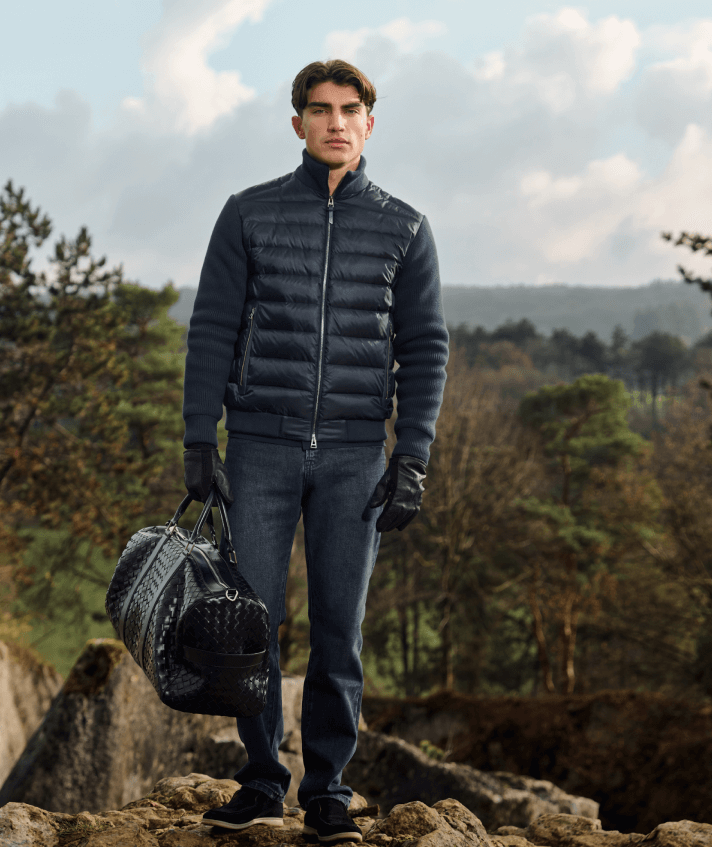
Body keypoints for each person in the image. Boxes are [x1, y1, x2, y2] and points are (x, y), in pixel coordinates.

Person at [181, 58, 448, 844]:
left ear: (369, 122)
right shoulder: (248, 214)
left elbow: (424, 348)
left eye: (349, 109)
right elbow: (211, 328)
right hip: (257, 450)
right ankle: (262, 781)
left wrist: (411, 457)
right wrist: (199, 437)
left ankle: (328, 790)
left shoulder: (404, 227)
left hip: (355, 458)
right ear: (296, 122)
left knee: (339, 630)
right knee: (250, 627)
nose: (336, 122)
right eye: (320, 109)